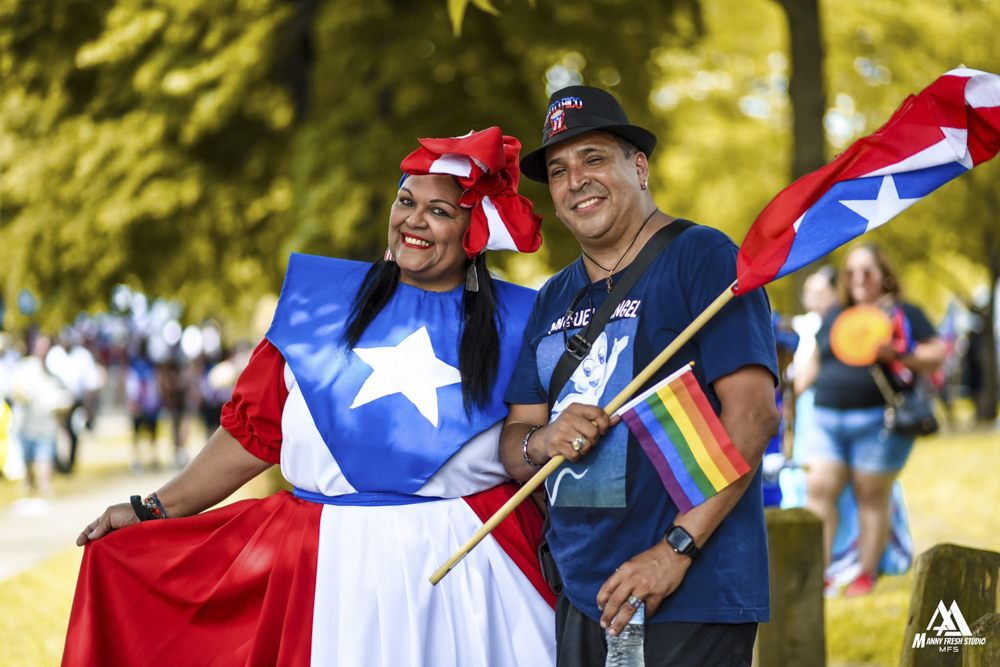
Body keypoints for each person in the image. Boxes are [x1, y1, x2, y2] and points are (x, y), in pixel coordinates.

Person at [64, 128, 557, 667]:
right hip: (324, 574)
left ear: (474, 229)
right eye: (405, 201)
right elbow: (253, 433)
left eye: (439, 211)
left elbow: (535, 460)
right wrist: (153, 508)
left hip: (470, 577)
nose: (413, 220)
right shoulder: (317, 306)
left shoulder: (522, 323)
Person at [502, 86, 780, 667]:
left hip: (688, 589)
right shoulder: (552, 295)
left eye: (594, 158)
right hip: (584, 594)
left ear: (640, 167)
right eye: (559, 170)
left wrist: (674, 550)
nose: (576, 180)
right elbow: (515, 443)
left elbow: (753, 415)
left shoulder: (702, 256)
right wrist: (543, 441)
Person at [796, 243, 945, 597]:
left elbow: (937, 353)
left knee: (871, 495)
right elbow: (815, 360)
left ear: (884, 275)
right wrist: (788, 399)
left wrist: (899, 353)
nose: (858, 279)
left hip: (879, 422)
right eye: (851, 272)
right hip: (825, 419)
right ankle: (818, 575)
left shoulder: (904, 313)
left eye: (867, 271)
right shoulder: (836, 314)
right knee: (819, 490)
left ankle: (865, 573)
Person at [9, 336, 71, 496]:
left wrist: (62, 406)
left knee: (44, 471)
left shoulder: (55, 373)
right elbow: (13, 392)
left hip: (46, 430)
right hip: (25, 428)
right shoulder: (24, 368)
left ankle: (46, 491)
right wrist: (21, 395)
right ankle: (28, 488)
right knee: (28, 472)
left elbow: (65, 397)